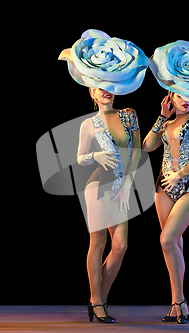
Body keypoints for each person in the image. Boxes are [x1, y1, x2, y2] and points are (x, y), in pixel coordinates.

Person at [142, 91, 189, 324]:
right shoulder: (168, 121)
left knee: (167, 240)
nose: (185, 99)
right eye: (180, 94)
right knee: (173, 244)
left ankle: (180, 301)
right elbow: (147, 146)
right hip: (164, 188)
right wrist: (162, 116)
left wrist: (179, 175)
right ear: (170, 96)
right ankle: (176, 304)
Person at [77, 88, 141, 323]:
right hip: (97, 185)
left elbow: (136, 152)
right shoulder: (88, 124)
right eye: (100, 88)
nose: (107, 91)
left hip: (120, 187)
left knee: (121, 245)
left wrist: (127, 185)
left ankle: (98, 299)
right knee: (98, 243)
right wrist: (96, 156)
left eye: (110, 87)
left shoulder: (128, 114)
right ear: (92, 93)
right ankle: (97, 300)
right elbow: (79, 157)